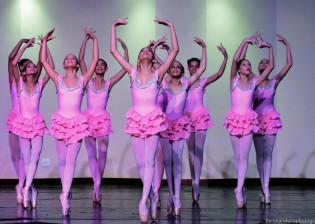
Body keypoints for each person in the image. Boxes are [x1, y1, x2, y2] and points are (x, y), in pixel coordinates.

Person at [110, 17, 179, 222]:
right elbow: (114, 51)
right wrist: (113, 27)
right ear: (139, 58)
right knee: (141, 162)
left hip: (153, 120)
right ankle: (151, 193)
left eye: (148, 50)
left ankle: (143, 200)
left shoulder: (158, 74)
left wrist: (171, 25)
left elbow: (175, 51)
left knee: (149, 161)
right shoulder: (131, 73)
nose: (146, 52)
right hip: (136, 119)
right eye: (143, 51)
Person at [40, 28, 99, 215]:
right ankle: (65, 191)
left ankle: (64, 195)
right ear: (64, 65)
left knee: (71, 160)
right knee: (63, 161)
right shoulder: (58, 79)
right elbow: (43, 61)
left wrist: (94, 40)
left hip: (76, 123)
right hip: (60, 121)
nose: (70, 60)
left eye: (73, 58)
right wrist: (44, 43)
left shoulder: (83, 80)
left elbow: (95, 61)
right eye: (67, 58)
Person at [224, 33, 274, 208]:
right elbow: (235, 58)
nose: (248, 66)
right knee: (238, 157)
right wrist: (245, 41)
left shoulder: (254, 83)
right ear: (239, 69)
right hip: (234, 120)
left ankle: (238, 188)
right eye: (244, 64)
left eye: (249, 64)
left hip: (248, 121)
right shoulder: (233, 81)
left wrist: (270, 48)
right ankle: (242, 186)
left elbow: (271, 66)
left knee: (244, 155)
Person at [79, 29, 129, 203]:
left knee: (103, 151)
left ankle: (97, 184)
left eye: (102, 65)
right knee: (91, 153)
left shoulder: (109, 83)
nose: (99, 66)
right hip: (87, 119)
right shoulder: (87, 81)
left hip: (102, 119)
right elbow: (81, 60)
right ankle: (97, 186)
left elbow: (125, 69)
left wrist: (125, 51)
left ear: (106, 68)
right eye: (97, 64)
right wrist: (87, 41)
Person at [160, 37, 207, 216]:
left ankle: (177, 195)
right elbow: (162, 66)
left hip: (180, 125)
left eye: (178, 67)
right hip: (165, 126)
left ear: (182, 71)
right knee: (168, 163)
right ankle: (171, 194)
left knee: (177, 162)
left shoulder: (187, 84)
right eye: (172, 66)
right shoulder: (163, 83)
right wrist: (159, 51)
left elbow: (202, 68)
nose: (174, 68)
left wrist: (204, 48)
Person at [11, 37, 54, 208]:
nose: (33, 67)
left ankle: (27, 187)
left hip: (36, 123)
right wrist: (25, 45)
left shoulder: (40, 84)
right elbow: (13, 63)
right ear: (23, 71)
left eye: (34, 66)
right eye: (29, 66)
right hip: (22, 123)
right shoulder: (19, 83)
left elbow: (51, 65)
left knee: (34, 159)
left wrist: (45, 45)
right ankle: (32, 190)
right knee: (27, 160)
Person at [185, 43, 228, 202]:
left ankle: (196, 182)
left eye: (196, 66)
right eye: (191, 66)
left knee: (199, 150)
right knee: (190, 152)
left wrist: (225, 57)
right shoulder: (183, 82)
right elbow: (167, 67)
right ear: (188, 68)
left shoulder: (202, 82)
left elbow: (219, 74)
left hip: (201, 116)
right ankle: (193, 179)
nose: (194, 68)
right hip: (187, 118)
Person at [253, 34, 292, 204]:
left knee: (268, 154)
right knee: (259, 155)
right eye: (262, 63)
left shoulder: (274, 81)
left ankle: (266, 187)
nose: (264, 64)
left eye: (267, 63)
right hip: (255, 119)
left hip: (270, 118)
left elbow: (288, 64)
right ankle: (262, 185)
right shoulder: (252, 81)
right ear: (258, 67)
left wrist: (286, 45)